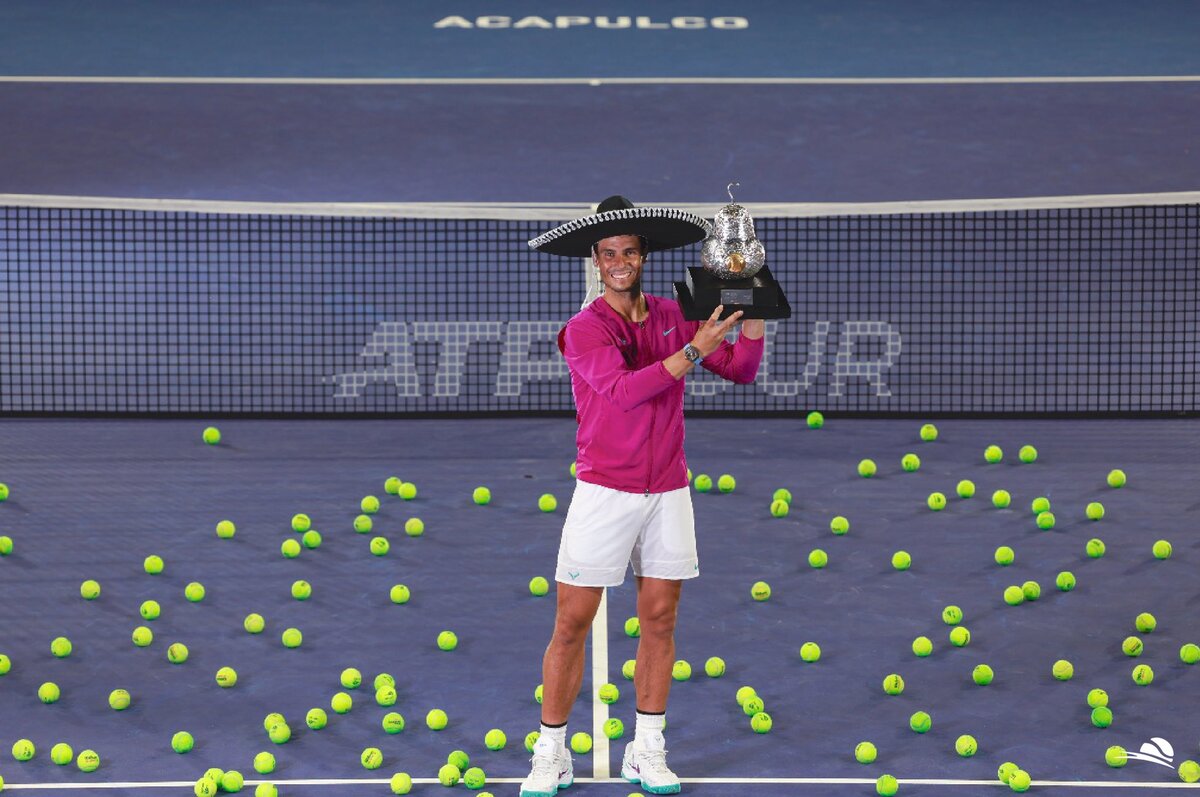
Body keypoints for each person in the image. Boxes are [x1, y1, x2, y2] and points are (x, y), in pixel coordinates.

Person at [521, 196, 765, 796]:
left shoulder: (670, 311)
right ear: (596, 262)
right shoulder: (583, 330)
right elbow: (626, 392)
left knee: (659, 619)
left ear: (643, 255)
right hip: (605, 491)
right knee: (572, 622)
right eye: (609, 255)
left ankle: (647, 749)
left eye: (629, 251)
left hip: (668, 490)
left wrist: (757, 300)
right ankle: (551, 751)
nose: (620, 262)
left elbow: (741, 369)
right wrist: (694, 350)